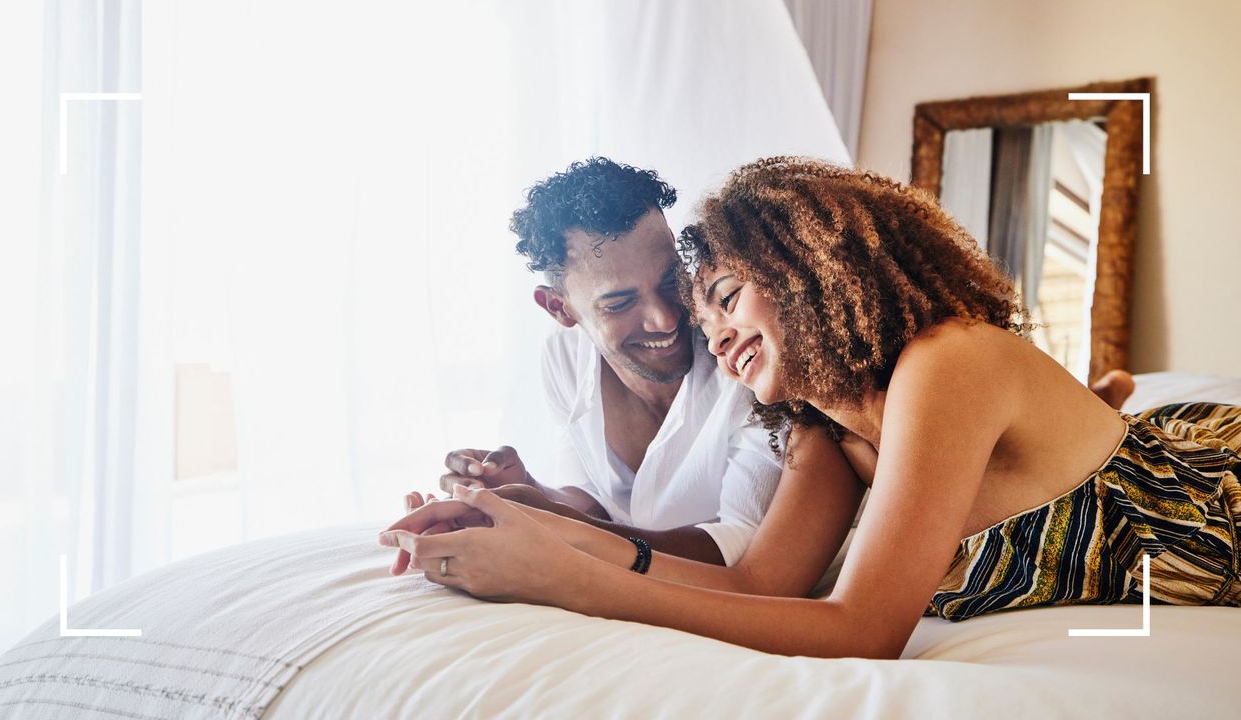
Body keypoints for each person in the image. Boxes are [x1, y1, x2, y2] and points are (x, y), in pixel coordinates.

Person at [381, 157, 1240, 659]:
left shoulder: (951, 365)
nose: (705, 335)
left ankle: (1109, 413)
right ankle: (1103, 408)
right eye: (705, 312)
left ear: (807, 272)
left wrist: (570, 580)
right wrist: (519, 525)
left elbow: (861, 629)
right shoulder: (824, 433)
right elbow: (756, 585)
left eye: (720, 295)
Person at [398, 157, 848, 592]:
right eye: (619, 303)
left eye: (671, 278)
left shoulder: (750, 361)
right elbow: (598, 501)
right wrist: (524, 493)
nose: (665, 318)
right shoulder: (564, 359)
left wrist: (552, 524)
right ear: (560, 308)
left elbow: (743, 553)